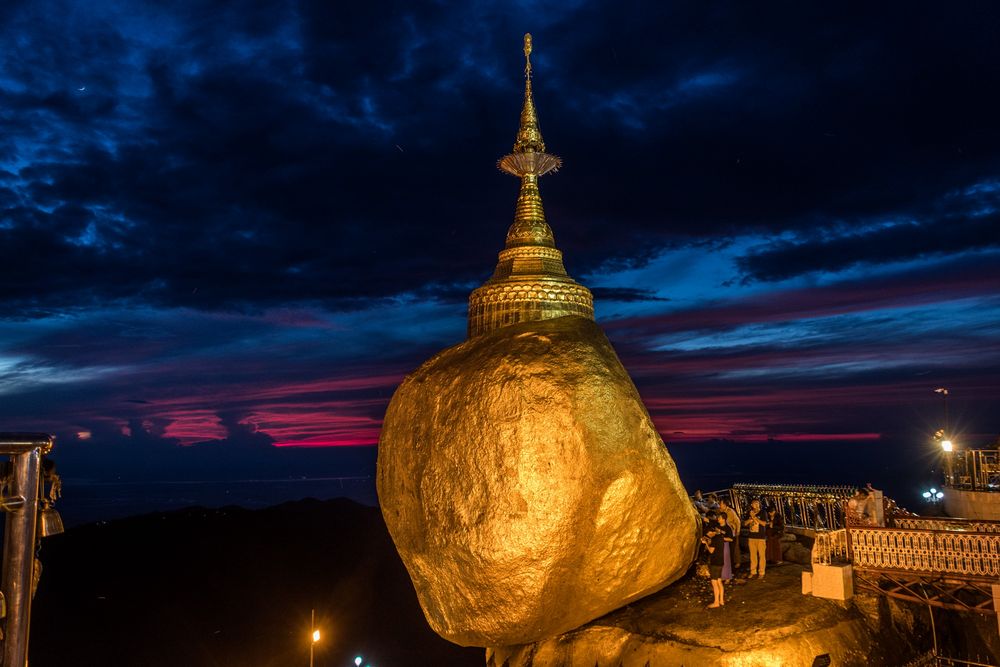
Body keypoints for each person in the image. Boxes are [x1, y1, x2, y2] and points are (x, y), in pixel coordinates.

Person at [702, 512, 734, 608]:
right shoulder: (720, 538)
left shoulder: (715, 538)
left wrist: (706, 543)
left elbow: (711, 551)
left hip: (715, 562)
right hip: (720, 562)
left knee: (714, 582)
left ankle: (716, 602)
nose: (708, 535)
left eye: (709, 533)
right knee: (719, 581)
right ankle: (721, 600)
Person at [745, 499, 767, 578]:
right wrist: (750, 518)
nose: (756, 505)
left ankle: (761, 572)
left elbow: (764, 524)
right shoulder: (749, 512)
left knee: (762, 555)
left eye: (757, 503)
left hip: (761, 537)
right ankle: (753, 571)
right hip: (751, 537)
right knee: (752, 555)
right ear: (751, 505)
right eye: (754, 503)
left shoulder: (763, 512)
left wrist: (755, 518)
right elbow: (745, 523)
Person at [718, 498, 742, 574]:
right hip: (726, 532)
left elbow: (737, 521)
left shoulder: (730, 511)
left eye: (721, 504)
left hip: (733, 532)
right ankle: (730, 564)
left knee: (735, 547)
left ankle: (737, 562)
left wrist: (738, 531)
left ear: (724, 505)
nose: (720, 505)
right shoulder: (721, 511)